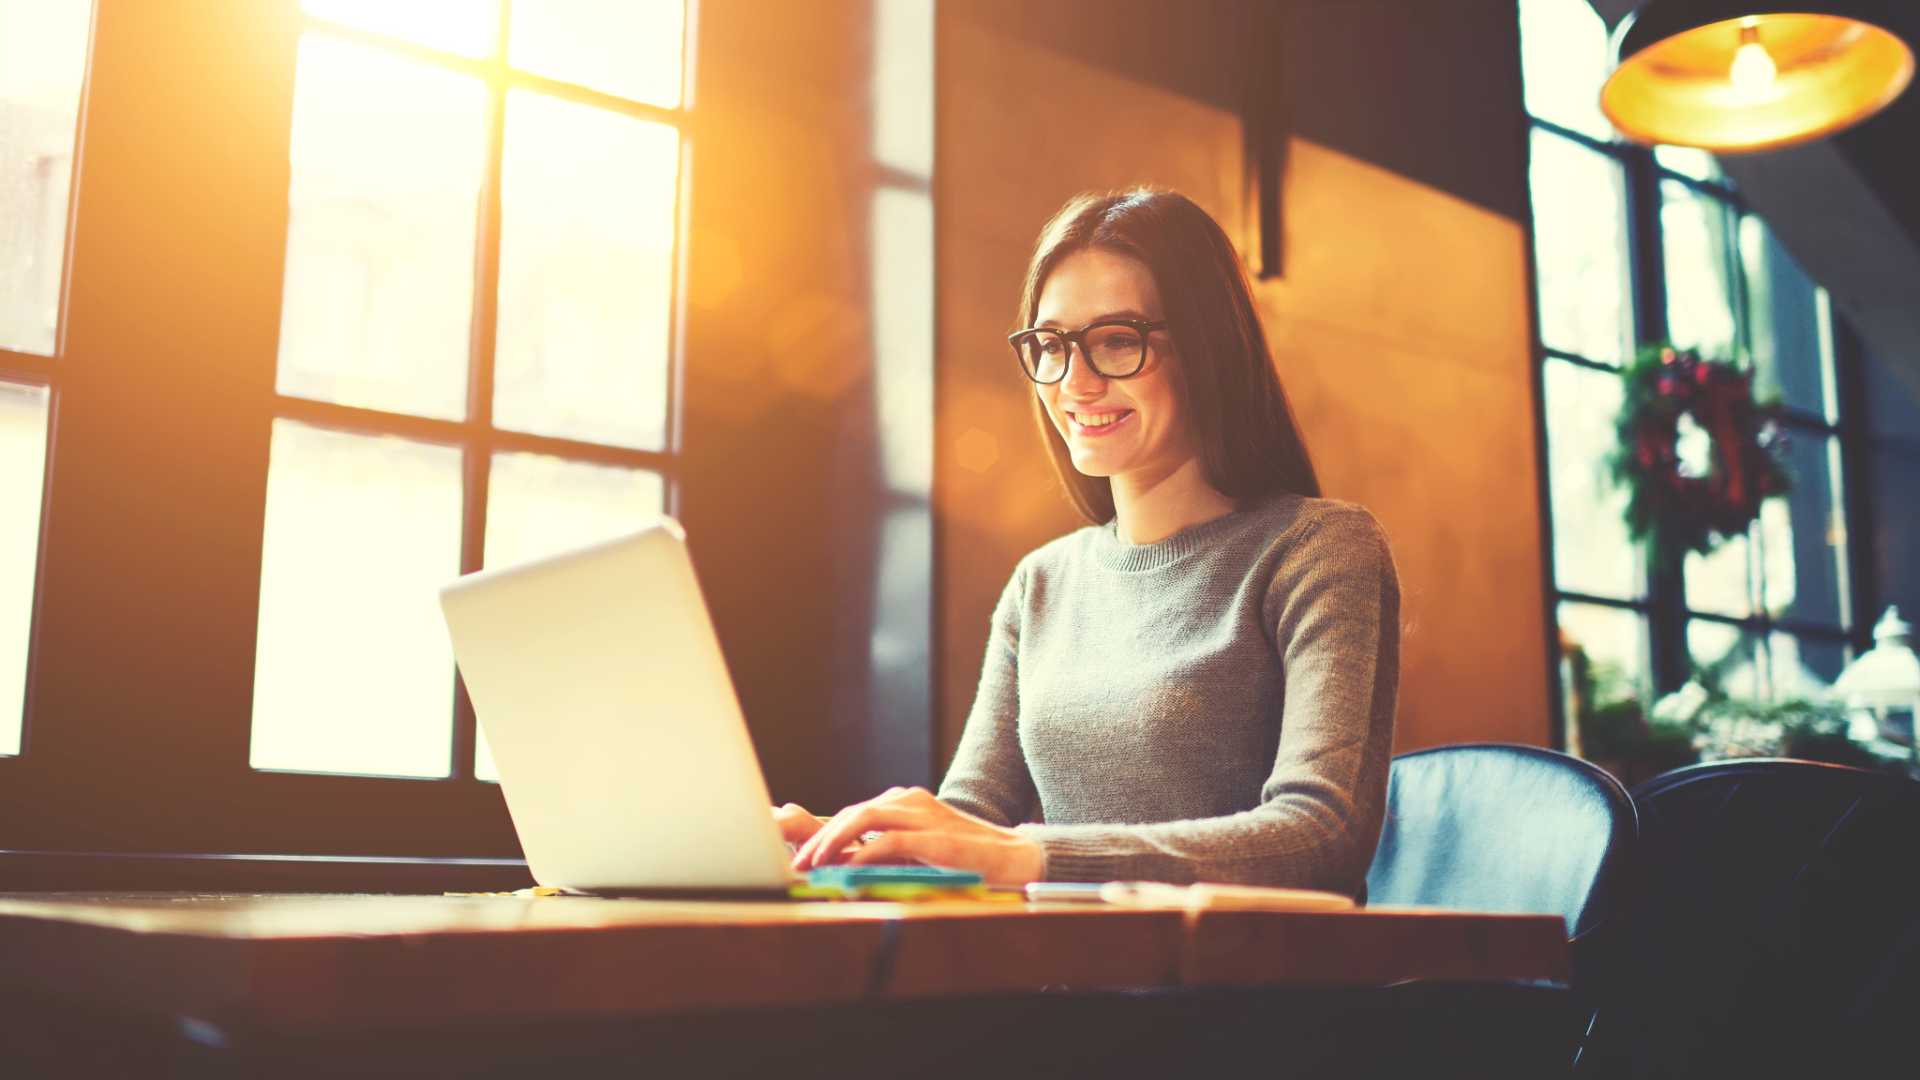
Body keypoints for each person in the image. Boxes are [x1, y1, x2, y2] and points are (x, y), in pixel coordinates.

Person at [777, 188, 1400, 899]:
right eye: (1049, 345)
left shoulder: (1319, 549)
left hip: (1241, 994)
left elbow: (1319, 834)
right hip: (1068, 983)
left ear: (1207, 348)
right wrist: (828, 839)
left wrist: (1031, 857)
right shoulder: (1041, 583)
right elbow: (972, 824)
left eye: (1116, 341)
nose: (1075, 381)